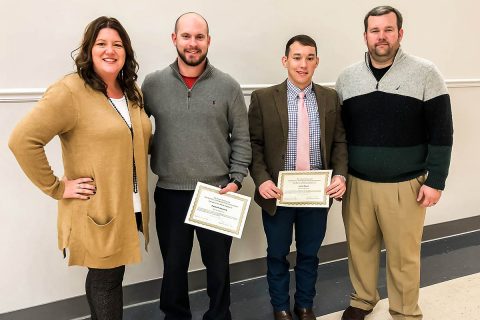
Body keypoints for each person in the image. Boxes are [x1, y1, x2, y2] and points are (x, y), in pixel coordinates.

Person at [8, 16, 152, 320]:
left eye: (117, 44)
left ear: (126, 51)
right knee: (106, 279)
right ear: (88, 49)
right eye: (101, 44)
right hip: (98, 207)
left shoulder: (131, 92)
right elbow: (22, 141)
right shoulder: (70, 91)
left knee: (111, 275)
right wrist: (58, 187)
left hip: (130, 204)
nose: (109, 50)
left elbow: (134, 140)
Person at [335, 6, 453, 320]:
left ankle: (404, 310)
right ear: (365, 36)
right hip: (357, 184)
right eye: (375, 31)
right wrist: (340, 176)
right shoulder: (346, 79)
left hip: (406, 185)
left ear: (400, 33)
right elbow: (340, 135)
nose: (381, 37)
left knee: (404, 256)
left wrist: (436, 180)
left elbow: (442, 132)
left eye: (388, 30)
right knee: (360, 249)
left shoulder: (426, 72)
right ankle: (362, 299)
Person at [141, 12, 251, 320]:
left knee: (218, 266)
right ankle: (175, 315)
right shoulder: (152, 84)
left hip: (217, 192)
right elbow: (135, 130)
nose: (193, 43)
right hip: (170, 192)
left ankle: (219, 315)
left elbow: (242, 139)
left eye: (199, 37)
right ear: (174, 39)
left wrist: (237, 180)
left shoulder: (228, 86)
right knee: (174, 265)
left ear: (208, 41)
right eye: (186, 36)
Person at [248, 35, 348, 320]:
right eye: (296, 57)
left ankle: (304, 305)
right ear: (285, 61)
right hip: (278, 194)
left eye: (309, 57)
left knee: (309, 254)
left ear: (316, 61)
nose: (303, 64)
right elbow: (254, 144)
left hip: (317, 194)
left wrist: (340, 175)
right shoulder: (264, 98)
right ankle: (280, 307)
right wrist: (262, 179)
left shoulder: (330, 98)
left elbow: (340, 142)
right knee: (277, 253)